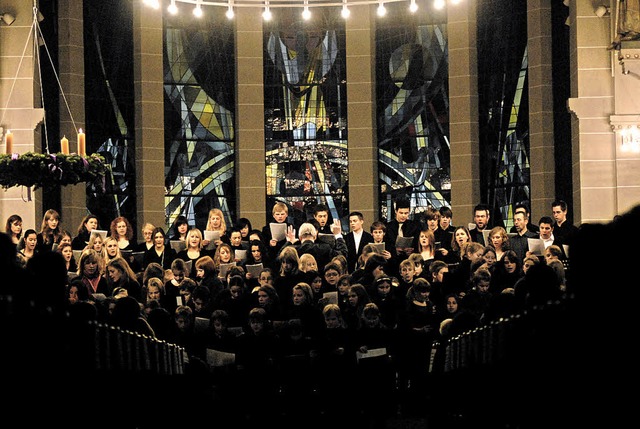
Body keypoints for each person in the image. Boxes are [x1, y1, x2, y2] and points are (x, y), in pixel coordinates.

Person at [282, 221, 347, 275]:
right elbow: (342, 254)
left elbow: (278, 259)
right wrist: (338, 235)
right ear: (315, 236)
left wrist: (289, 242)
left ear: (300, 237)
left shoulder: (293, 250)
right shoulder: (325, 248)